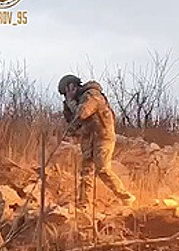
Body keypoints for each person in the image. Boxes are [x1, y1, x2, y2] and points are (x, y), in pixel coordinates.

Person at [58, 74, 135, 209]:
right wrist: (67, 107)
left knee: (103, 169)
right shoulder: (77, 100)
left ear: (71, 86)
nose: (66, 96)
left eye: (66, 92)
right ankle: (84, 205)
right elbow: (73, 123)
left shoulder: (92, 95)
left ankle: (126, 197)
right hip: (89, 139)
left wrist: (71, 102)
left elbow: (82, 114)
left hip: (102, 138)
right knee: (86, 172)